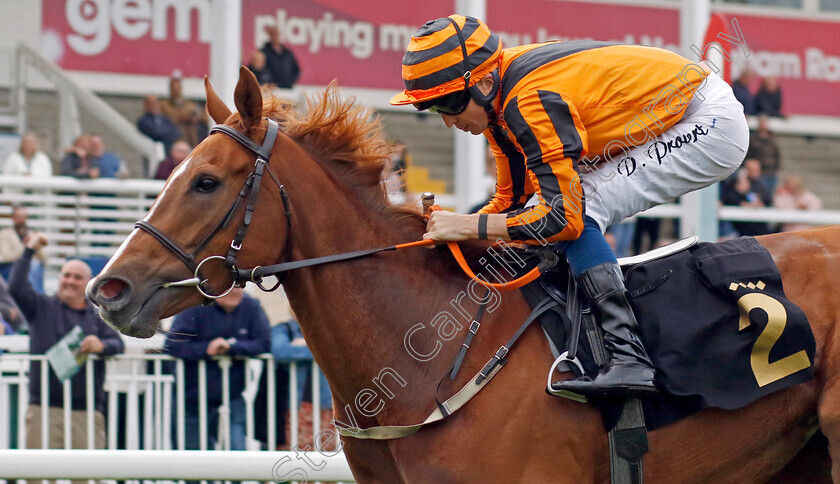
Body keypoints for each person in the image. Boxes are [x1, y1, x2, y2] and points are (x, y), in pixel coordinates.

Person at [390, 15, 749, 397]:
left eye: (449, 102)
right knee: (548, 208)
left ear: (481, 82)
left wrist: (467, 227)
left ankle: (628, 357)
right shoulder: (497, 98)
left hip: (707, 121)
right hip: (674, 111)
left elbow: (563, 219)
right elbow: (511, 201)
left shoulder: (526, 100)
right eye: (432, 107)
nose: (447, 120)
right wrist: (460, 229)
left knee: (584, 207)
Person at [9, 233, 124, 458]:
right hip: (44, 408)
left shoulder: (98, 315)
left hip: (86, 410)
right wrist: (29, 251)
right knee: (39, 476)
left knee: (87, 477)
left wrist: (100, 345)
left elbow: (118, 344)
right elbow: (15, 288)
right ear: (59, 278)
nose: (70, 281)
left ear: (88, 284)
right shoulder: (41, 306)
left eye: (77, 277)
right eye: (66, 275)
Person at [165, 287, 271, 452]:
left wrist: (232, 347)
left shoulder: (251, 305)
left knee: (237, 457)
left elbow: (264, 342)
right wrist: (207, 349)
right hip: (192, 398)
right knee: (193, 459)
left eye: (239, 286)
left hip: (234, 395)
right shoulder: (195, 305)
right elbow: (173, 345)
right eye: (229, 287)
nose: (235, 291)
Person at [271, 317, 334, 450]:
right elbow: (281, 351)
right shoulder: (284, 329)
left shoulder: (330, 327)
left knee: (327, 452)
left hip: (327, 404)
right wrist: (318, 349)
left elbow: (338, 349)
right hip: (296, 404)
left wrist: (306, 345)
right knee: (295, 451)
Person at [0, 205, 46, 292]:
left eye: (24, 217)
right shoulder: (4, 234)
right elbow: (5, 257)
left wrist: (38, 247)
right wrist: (26, 245)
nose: (21, 220)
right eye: (19, 217)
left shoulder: (32, 234)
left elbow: (44, 260)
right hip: (10, 270)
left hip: (31, 271)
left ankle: (38, 298)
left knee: (35, 265)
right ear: (13, 218)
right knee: (33, 266)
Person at [160, 73, 208, 148]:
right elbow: (163, 121)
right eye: (174, 88)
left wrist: (194, 118)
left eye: (177, 88)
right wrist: (180, 117)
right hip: (175, 139)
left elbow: (199, 115)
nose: (176, 90)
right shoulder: (164, 105)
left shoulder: (189, 104)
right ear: (170, 89)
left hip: (192, 139)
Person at [719, 168, 770, 237]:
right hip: (738, 232)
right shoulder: (732, 195)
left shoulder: (749, 194)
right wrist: (753, 205)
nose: (747, 184)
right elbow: (742, 204)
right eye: (744, 182)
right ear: (737, 184)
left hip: (755, 231)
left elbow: (760, 204)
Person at [746, 115, 781, 193]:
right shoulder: (754, 139)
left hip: (771, 171)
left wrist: (777, 168)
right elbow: (749, 155)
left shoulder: (772, 139)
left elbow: (776, 154)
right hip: (761, 171)